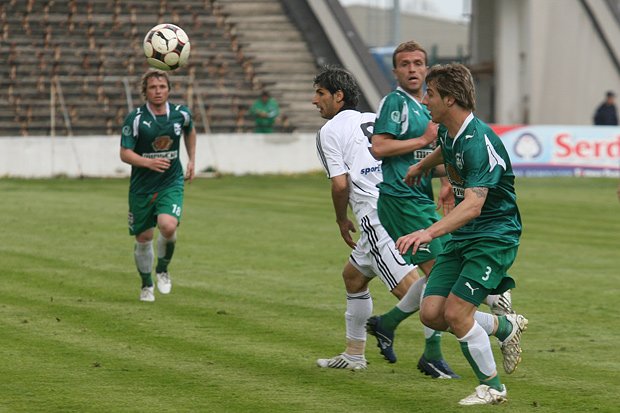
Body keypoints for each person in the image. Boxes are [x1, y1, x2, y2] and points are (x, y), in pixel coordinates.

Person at [396, 63, 528, 405]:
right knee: (431, 313)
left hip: (493, 236)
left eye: (431, 94)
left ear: (450, 99)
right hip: (464, 235)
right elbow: (444, 148)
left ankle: (493, 388)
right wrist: (422, 166)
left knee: (456, 314)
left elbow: (473, 206)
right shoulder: (448, 130)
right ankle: (504, 327)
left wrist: (428, 232)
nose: (425, 100)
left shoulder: (478, 142)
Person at [312, 65, 430, 370]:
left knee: (424, 298)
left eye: (320, 93)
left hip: (375, 216)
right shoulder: (373, 119)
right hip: (398, 204)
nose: (314, 100)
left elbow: (340, 184)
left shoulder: (329, 131)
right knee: (353, 277)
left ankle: (496, 324)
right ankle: (354, 354)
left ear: (338, 96)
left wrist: (341, 219)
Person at [365, 40, 461, 378]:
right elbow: (379, 147)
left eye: (418, 63)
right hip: (400, 198)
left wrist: (448, 177)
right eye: (405, 64)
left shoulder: (425, 107)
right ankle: (431, 354)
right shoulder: (396, 102)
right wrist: (422, 141)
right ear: (395, 72)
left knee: (437, 273)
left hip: (417, 199)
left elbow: (422, 161)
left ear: (426, 67)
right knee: (442, 274)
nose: (412, 69)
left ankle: (386, 323)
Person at [120, 69, 196, 302]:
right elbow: (125, 153)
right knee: (143, 237)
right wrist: (147, 162)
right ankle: (146, 284)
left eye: (162, 87)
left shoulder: (181, 113)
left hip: (170, 182)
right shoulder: (135, 119)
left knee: (168, 226)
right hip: (142, 187)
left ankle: (162, 269)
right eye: (153, 87)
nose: (158, 91)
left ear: (169, 89)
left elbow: (190, 131)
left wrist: (191, 159)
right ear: (145, 91)